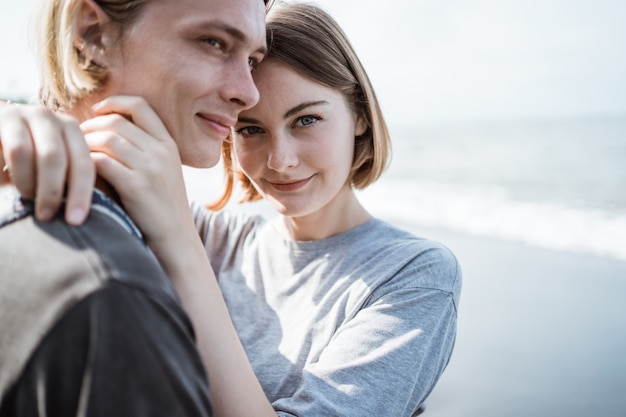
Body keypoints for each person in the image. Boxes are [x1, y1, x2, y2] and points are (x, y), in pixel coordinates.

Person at [1, 2, 461, 416]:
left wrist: (181, 245)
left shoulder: (414, 275)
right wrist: (15, 119)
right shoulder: (222, 237)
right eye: (250, 130)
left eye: (306, 120)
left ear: (359, 113)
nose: (281, 159)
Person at [0, 0, 271, 415]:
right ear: (93, 32)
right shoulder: (114, 295)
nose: (248, 92)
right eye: (214, 42)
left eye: (253, 60)